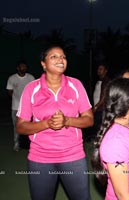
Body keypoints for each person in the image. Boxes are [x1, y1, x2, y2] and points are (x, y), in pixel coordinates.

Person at [16, 45, 94, 200]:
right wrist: (46, 124)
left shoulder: (76, 85)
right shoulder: (31, 89)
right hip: (40, 157)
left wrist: (67, 120)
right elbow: (21, 126)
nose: (61, 59)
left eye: (63, 56)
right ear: (43, 64)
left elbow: (89, 119)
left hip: (73, 155)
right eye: (54, 56)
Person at [6, 60, 35, 151]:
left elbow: (35, 91)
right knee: (16, 127)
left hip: (29, 108)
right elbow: (10, 91)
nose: (24, 68)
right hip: (16, 107)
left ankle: (31, 145)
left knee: (30, 127)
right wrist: (19, 100)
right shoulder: (12, 78)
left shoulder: (31, 77)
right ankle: (16, 144)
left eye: (25, 66)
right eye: (22, 66)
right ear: (18, 68)